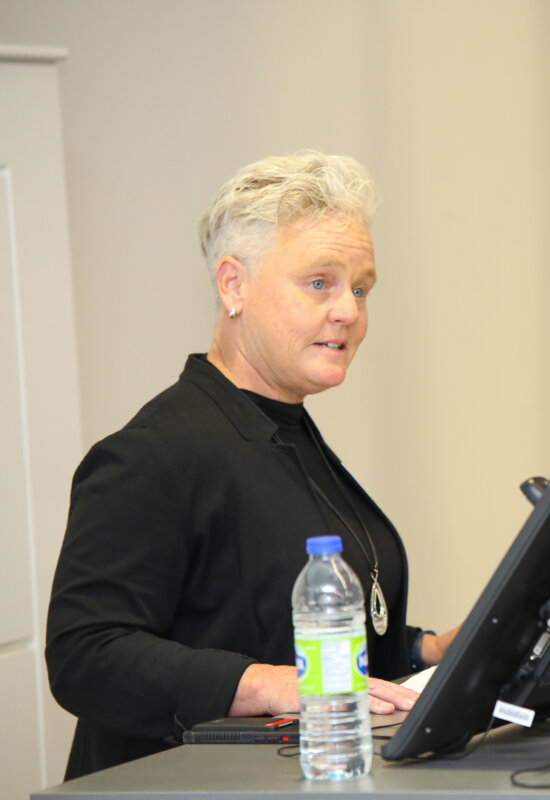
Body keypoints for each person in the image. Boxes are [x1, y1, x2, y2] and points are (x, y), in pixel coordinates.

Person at [45, 151, 454, 779]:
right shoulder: (152, 453)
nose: (348, 310)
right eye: (320, 282)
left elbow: (282, 621)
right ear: (233, 285)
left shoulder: (288, 430)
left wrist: (436, 650)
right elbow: (87, 656)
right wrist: (270, 686)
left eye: (361, 287)